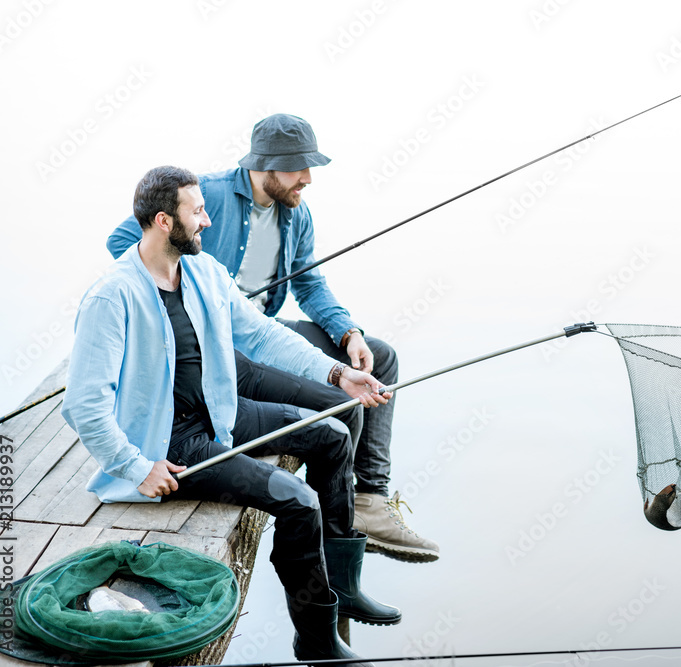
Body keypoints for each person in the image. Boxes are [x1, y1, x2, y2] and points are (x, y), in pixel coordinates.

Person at [64, 165, 397, 664]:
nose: (207, 221)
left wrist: (337, 374)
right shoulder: (112, 296)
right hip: (172, 444)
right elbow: (84, 405)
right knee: (297, 500)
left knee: (331, 435)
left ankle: (343, 584)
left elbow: (261, 334)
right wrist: (136, 467)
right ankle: (316, 636)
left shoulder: (203, 272)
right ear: (162, 221)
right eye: (196, 212)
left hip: (221, 413)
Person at [107, 113, 439, 563]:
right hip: (217, 346)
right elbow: (124, 242)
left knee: (380, 356)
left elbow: (309, 285)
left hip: (259, 329)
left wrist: (348, 332)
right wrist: (193, 299)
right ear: (265, 165)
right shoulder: (210, 197)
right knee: (329, 415)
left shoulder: (296, 214)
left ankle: (370, 499)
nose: (306, 179)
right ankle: (332, 523)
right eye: (298, 167)